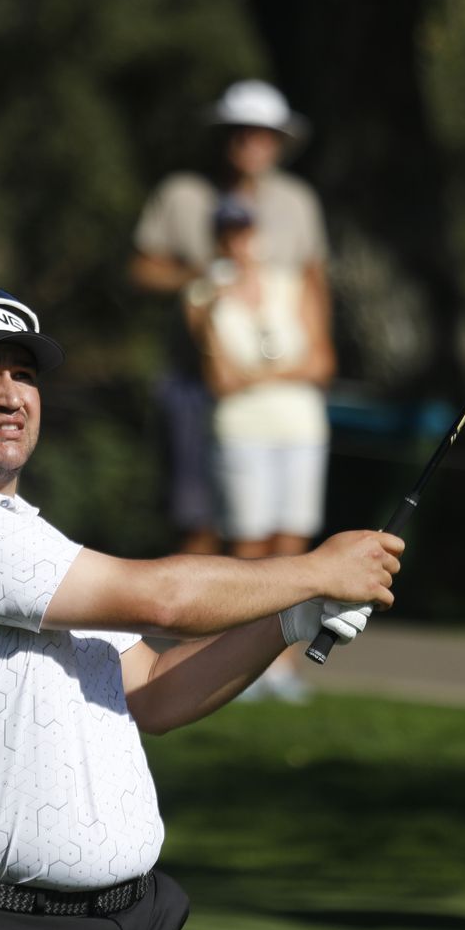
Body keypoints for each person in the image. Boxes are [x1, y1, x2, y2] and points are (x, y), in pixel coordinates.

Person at [0, 285, 403, 930]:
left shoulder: (32, 541)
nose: (10, 396)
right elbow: (163, 601)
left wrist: (294, 616)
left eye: (24, 375)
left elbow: (152, 686)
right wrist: (317, 570)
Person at [130, 79, 332, 557]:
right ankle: (192, 630)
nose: (251, 142)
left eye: (263, 133)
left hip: (278, 384)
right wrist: (199, 279)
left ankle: (259, 632)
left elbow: (314, 282)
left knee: (280, 532)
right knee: (198, 522)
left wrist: (317, 360)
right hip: (194, 381)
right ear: (223, 134)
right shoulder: (182, 194)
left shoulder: (298, 202)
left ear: (280, 141)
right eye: (241, 130)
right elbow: (141, 270)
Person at [185, 196, 336, 701]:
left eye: (246, 231)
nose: (240, 242)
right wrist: (273, 369)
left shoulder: (292, 284)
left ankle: (282, 663)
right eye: (230, 234)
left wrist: (259, 373)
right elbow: (221, 377)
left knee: (292, 546)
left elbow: (319, 363)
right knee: (249, 548)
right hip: (243, 428)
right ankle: (238, 663)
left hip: (299, 427)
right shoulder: (204, 294)